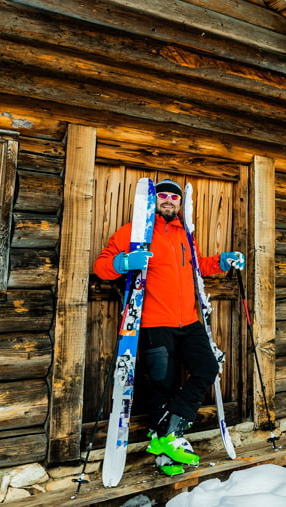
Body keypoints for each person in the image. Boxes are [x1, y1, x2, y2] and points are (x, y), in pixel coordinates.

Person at [93, 179, 245, 472]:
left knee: (208, 368)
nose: (168, 200)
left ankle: (169, 432)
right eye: (162, 195)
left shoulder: (185, 236)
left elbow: (198, 267)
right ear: (153, 201)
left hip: (189, 320)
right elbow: (102, 266)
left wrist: (223, 261)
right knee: (163, 385)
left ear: (180, 204)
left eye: (173, 197)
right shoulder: (134, 232)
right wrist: (124, 262)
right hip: (154, 323)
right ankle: (165, 452)